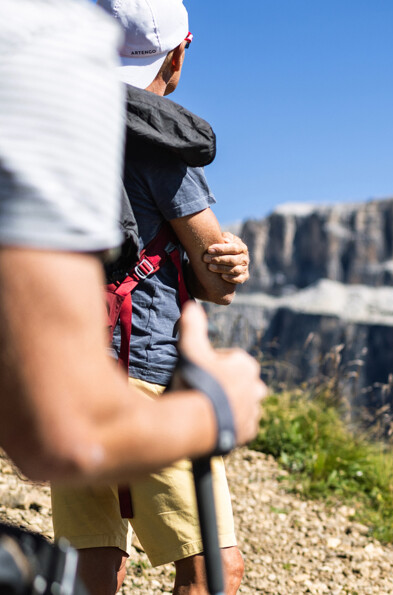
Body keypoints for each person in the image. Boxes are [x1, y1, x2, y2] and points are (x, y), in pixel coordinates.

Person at [0, 0, 265, 522]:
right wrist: (213, 412)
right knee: (210, 564)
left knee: (92, 555)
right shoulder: (166, 147)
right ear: (177, 58)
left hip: (74, 366)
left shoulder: (51, 135)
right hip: (152, 374)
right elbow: (219, 284)